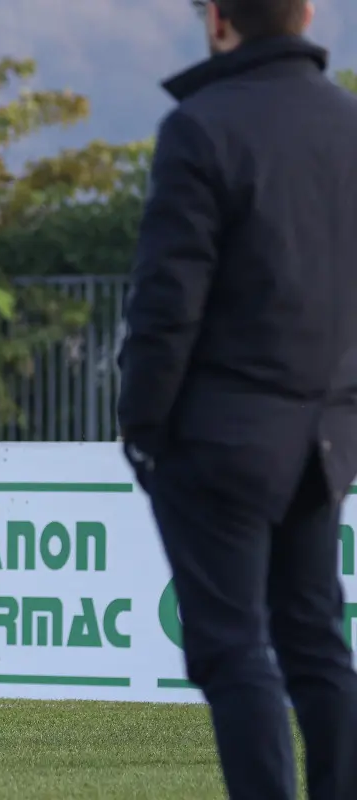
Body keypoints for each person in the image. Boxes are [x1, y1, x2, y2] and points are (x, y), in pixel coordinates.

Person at [118, 1, 357, 797]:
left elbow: (167, 303)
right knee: (317, 643)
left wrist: (142, 425)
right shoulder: (348, 124)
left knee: (233, 647)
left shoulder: (202, 126)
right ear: (307, 14)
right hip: (324, 436)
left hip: (220, 437)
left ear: (218, 19)